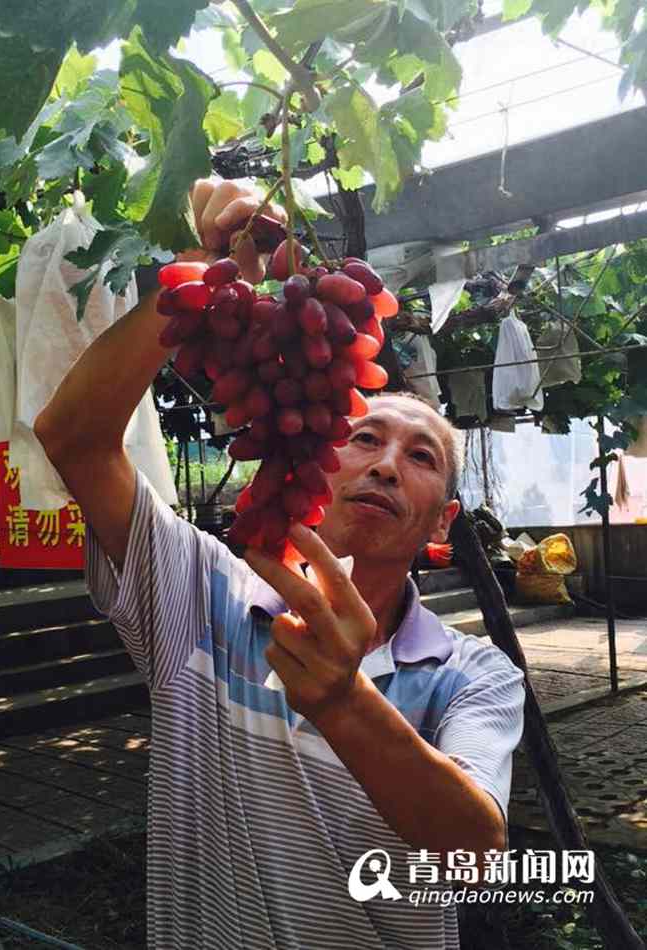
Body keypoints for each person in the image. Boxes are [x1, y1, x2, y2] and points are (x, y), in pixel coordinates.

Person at [35, 177, 526, 950]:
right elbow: (72, 437)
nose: (388, 464)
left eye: (421, 455)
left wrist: (343, 701)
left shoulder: (475, 674)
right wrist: (203, 272)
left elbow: (473, 856)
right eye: (364, 438)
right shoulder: (196, 592)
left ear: (442, 524)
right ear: (321, 456)